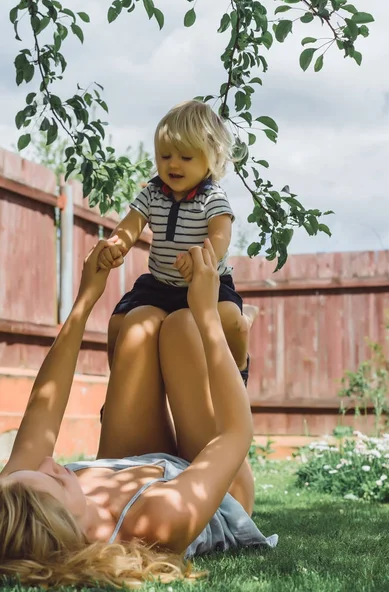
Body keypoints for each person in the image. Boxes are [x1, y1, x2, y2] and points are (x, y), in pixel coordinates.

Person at [0, 238, 277, 589]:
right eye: (55, 479)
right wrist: (208, 314)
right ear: (68, 527)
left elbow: (44, 403)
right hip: (215, 486)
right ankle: (237, 346)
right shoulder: (158, 520)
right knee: (184, 327)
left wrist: (85, 300)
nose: (49, 463)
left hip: (138, 466)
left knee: (139, 321)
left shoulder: (16, 497)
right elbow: (236, 434)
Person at [96, 100, 257, 386]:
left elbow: (221, 234)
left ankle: (240, 369)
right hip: (161, 284)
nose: (172, 164)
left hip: (207, 286)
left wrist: (201, 259)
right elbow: (131, 224)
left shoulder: (212, 197)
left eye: (185, 157)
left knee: (233, 322)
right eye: (165, 155)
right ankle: (119, 390)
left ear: (211, 158)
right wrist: (117, 244)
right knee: (118, 324)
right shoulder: (153, 193)